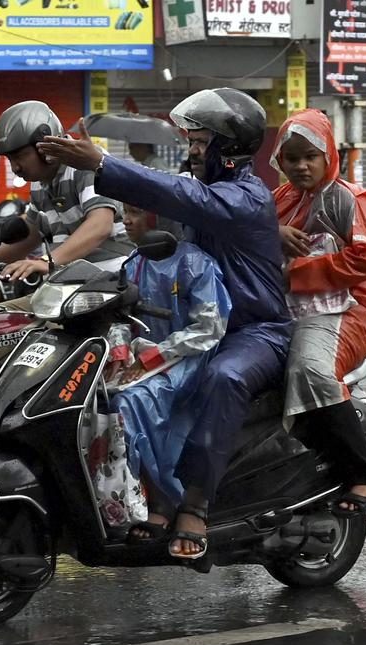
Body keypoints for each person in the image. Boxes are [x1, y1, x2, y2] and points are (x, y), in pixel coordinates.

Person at [39, 88, 290, 560]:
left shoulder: (244, 196)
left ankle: (194, 505)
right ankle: (136, 498)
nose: (192, 151)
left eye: (199, 142)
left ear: (227, 147)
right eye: (191, 142)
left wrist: (102, 162)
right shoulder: (208, 191)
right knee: (115, 385)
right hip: (196, 327)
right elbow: (153, 228)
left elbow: (175, 194)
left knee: (223, 377)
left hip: (253, 333)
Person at [271, 109, 366, 517]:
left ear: (328, 157)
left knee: (309, 369)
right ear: (279, 161)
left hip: (354, 308)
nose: (301, 165)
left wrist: (297, 271)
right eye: (292, 158)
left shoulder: (349, 199)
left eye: (311, 156)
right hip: (292, 309)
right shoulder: (281, 200)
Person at [112, 202, 232, 542]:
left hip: (189, 359)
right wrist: (121, 348)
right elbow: (119, 317)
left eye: (136, 211)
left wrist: (156, 355)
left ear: (161, 216)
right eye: (125, 211)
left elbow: (210, 327)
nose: (127, 219)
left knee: (130, 403)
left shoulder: (195, 262)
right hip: (145, 360)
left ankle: (159, 502)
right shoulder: (133, 262)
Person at [0, 101, 132, 286]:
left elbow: (100, 225)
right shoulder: (40, 183)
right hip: (69, 288)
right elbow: (29, 236)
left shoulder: (84, 163)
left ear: (45, 145)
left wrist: (45, 261)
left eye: (20, 156)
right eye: (10, 159)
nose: (15, 167)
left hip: (110, 283)